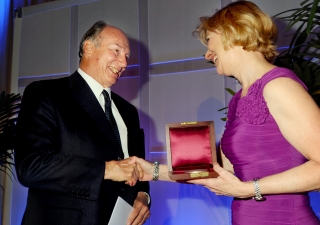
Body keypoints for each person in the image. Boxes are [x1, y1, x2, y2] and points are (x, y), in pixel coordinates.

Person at [132, 1, 320, 224]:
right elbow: (218, 169)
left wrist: (248, 189)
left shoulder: (279, 85)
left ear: (232, 32)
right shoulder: (238, 100)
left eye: (209, 42)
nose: (206, 54)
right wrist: (152, 172)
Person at [15, 21, 150, 225]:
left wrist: (142, 195)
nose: (124, 63)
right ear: (88, 47)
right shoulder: (45, 93)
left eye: (127, 56)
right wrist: (106, 169)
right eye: (116, 51)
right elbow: (31, 167)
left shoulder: (129, 112)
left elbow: (137, 166)